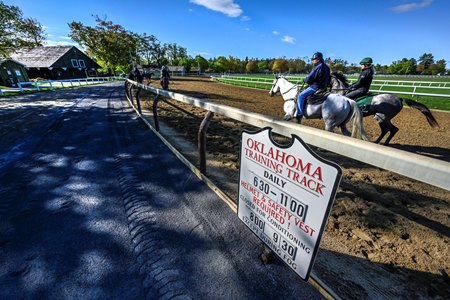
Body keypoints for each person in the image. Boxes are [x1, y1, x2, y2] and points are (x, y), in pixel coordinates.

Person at [286, 52, 330, 121]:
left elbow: (310, 78)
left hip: (315, 87)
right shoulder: (327, 67)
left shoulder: (318, 67)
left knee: (300, 96)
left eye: (314, 59)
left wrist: (305, 80)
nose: (313, 61)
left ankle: (299, 114)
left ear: (318, 59)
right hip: (324, 87)